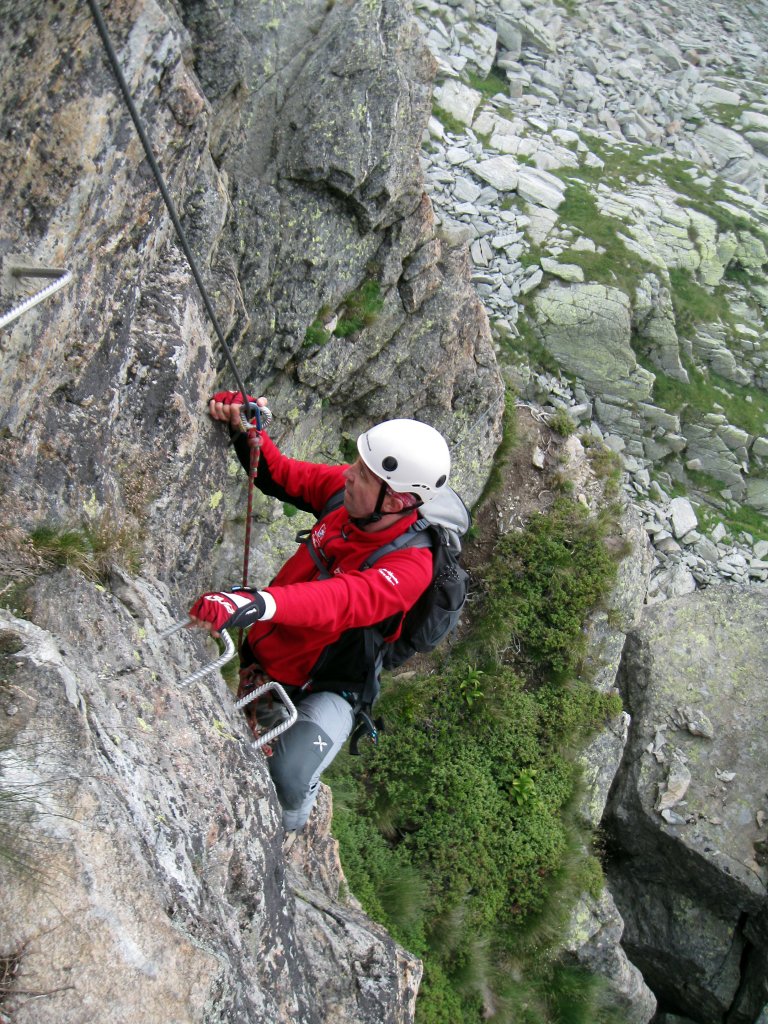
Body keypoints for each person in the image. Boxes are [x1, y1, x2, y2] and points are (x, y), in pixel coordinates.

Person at [188, 391, 452, 837]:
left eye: (364, 475)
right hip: (274, 663)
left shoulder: (410, 566)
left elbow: (341, 600)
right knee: (255, 749)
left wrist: (257, 602)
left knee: (288, 776)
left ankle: (289, 832)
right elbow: (282, 475)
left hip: (329, 688)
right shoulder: (350, 498)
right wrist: (248, 430)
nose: (348, 476)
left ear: (396, 501)